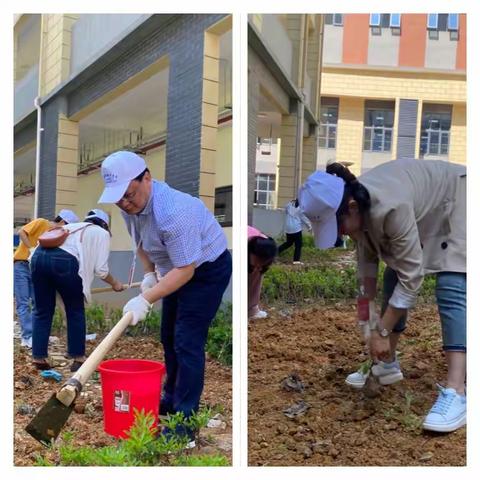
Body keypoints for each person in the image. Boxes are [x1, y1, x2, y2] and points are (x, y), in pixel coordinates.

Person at [299, 159, 466, 433]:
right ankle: (387, 363)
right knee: (393, 274)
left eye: (338, 227)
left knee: (451, 282)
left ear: (351, 207)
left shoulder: (390, 207)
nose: (341, 234)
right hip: (427, 207)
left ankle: (457, 391)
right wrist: (368, 323)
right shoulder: (358, 212)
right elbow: (366, 273)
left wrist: (383, 331)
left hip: (460, 198)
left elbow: (412, 277)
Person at [98, 151, 232, 444]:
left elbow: (186, 271)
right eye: (119, 198)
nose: (124, 203)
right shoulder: (130, 207)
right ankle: (171, 400)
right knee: (169, 337)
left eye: (129, 195)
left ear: (146, 177)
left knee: (187, 340)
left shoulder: (173, 211)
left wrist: (146, 299)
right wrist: (149, 275)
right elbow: (142, 244)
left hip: (206, 270)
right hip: (174, 268)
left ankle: (185, 425)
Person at [30, 209, 124, 371]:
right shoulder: (101, 233)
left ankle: (39, 357)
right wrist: (115, 283)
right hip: (64, 261)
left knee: (42, 310)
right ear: (104, 224)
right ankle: (78, 357)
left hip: (37, 258)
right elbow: (101, 270)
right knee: (75, 310)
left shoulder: (72, 227)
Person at [14, 209, 79, 349]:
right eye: (66, 226)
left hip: (36, 268)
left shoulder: (56, 236)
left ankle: (38, 335)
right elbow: (22, 232)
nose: (66, 229)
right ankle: (27, 336)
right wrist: (31, 249)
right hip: (22, 265)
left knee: (39, 302)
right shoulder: (41, 222)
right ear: (62, 221)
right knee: (23, 302)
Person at [248, 226, 277, 320]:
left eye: (261, 263)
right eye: (255, 263)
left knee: (256, 273)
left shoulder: (267, 247)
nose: (257, 266)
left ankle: (251, 310)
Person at [277, 199, 311, 265]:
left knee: (289, 243)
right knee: (298, 244)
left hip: (288, 228)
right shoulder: (301, 208)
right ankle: (296, 261)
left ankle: (275, 251)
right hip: (296, 228)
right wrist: (309, 226)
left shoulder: (289, 204)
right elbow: (304, 218)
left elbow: (286, 210)